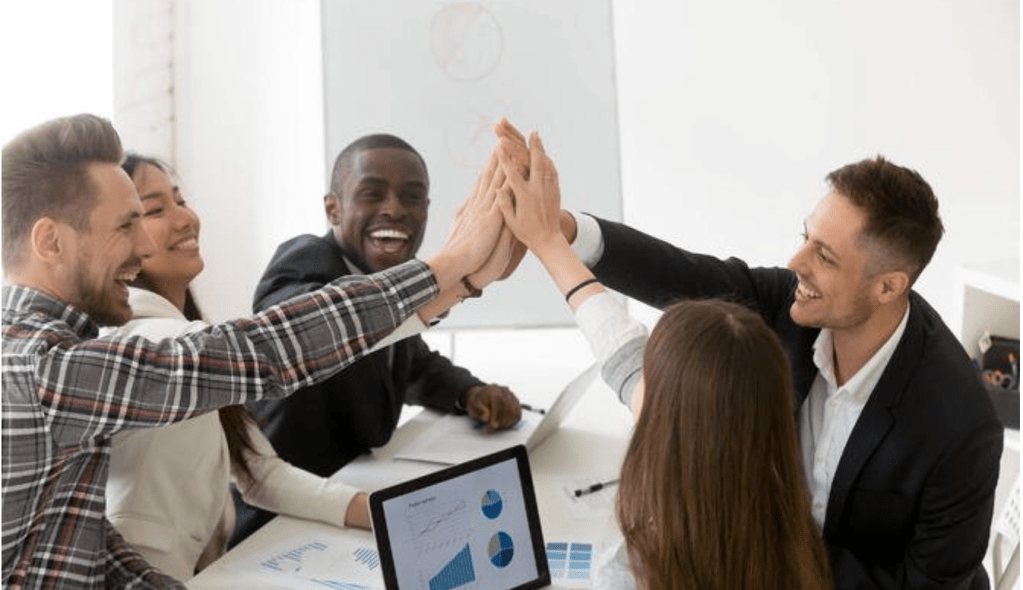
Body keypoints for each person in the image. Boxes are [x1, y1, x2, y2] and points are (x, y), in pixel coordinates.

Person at [1, 113, 514, 589]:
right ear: (51, 242)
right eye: (126, 224)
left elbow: (84, 545)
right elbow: (264, 351)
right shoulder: (42, 371)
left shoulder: (56, 356)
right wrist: (450, 270)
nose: (144, 246)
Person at [494, 120, 1003, 589]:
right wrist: (560, 232)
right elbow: (676, 279)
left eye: (825, 256)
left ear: (889, 286)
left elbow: (931, 586)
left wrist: (757, 545)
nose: (796, 262)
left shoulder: (960, 423)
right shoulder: (790, 305)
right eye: (806, 237)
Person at [494, 130, 832, 590]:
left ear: (665, 418)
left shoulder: (638, 570)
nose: (640, 384)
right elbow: (619, 347)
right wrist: (549, 240)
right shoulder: (797, 538)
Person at [102, 154, 388, 581]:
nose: (185, 219)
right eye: (156, 210)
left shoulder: (188, 332)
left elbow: (257, 471)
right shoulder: (146, 343)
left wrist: (375, 511)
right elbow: (286, 348)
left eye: (180, 201)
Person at [238, 133, 523, 541]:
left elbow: (415, 364)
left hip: (352, 500)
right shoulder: (304, 261)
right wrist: (453, 275)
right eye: (372, 194)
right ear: (333, 209)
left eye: (412, 197)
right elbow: (316, 328)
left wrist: (470, 393)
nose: (394, 209)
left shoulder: (390, 281)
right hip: (281, 517)